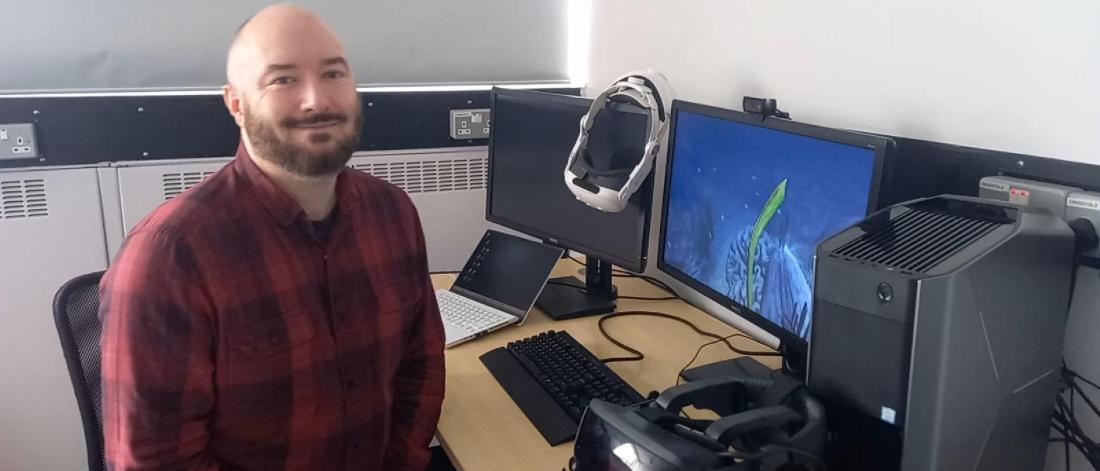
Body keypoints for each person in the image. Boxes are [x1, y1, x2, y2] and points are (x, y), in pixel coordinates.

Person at [98, 4, 445, 470]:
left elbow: (418, 369)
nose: (316, 100)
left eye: (333, 73)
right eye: (282, 79)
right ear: (236, 103)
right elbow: (156, 462)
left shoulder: (393, 213)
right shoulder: (170, 257)